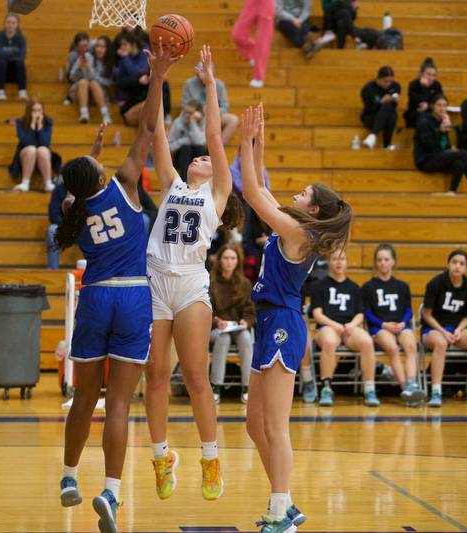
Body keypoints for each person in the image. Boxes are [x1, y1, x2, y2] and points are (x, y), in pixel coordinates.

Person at [56, 41, 176, 533]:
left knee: (84, 398)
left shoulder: (72, 212)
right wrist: (159, 74)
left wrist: (92, 155)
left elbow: (75, 186)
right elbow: (148, 127)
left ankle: (67, 478)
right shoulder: (126, 182)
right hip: (132, 296)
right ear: (101, 173)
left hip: (96, 293)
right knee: (121, 403)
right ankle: (111, 491)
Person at [240, 103, 352, 531]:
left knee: (275, 426)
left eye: (305, 192)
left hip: (283, 323)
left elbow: (252, 194)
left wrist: (244, 143)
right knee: (254, 425)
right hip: (269, 320)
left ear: (316, 209)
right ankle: (285, 501)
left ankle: (278, 510)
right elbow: (263, 189)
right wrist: (259, 144)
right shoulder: (294, 226)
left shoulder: (299, 233)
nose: (297, 193)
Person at [144, 46, 241, 504]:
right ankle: (162, 456)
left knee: (197, 377)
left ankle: (209, 457)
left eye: (207, 157)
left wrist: (208, 85)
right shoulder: (170, 184)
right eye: (198, 156)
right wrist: (158, 78)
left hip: (189, 283)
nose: (203, 156)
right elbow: (156, 129)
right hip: (155, 280)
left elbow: (216, 138)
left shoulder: (218, 195)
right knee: (157, 375)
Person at [421, 249, 467, 407]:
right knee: (441, 343)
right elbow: (427, 314)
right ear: (448, 264)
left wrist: (459, 330)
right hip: (433, 329)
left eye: (462, 264)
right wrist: (443, 331)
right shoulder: (435, 283)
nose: (457, 266)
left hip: (456, 329)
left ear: (466, 268)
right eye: (454, 262)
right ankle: (436, 392)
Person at [310, 249, 380, 407]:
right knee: (329, 341)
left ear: (347, 262)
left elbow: (360, 314)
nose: (339, 262)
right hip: (327, 326)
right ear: (329, 262)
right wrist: (335, 325)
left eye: (342, 259)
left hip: (349, 328)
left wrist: (352, 325)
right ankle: (326, 388)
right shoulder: (319, 286)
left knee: (367, 342)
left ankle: (369, 388)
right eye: (335, 259)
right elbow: (317, 313)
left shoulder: (354, 288)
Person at [362, 244, 425, 406]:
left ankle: (412, 383)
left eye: (386, 259)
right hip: (380, 328)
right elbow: (367, 313)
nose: (383, 263)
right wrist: (384, 324)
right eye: (379, 260)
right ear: (376, 263)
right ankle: (406, 389)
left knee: (411, 346)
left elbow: (408, 310)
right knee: (393, 348)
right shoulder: (369, 287)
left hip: (401, 325)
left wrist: (403, 323)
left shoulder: (402, 286)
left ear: (393, 262)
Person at [414, 94, 467, 196]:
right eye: (439, 105)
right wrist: (440, 131)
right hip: (425, 159)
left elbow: (445, 146)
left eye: (444, 105)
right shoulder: (424, 122)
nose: (442, 108)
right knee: (463, 154)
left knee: (459, 163)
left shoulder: (443, 121)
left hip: (438, 156)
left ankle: (452, 191)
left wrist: (445, 133)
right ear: (432, 106)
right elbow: (429, 146)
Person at [209, 244, 255, 404]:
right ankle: (216, 386)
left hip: (237, 327)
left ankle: (247, 386)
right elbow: (207, 310)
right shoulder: (211, 282)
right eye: (226, 258)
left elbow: (250, 311)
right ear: (220, 260)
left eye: (233, 258)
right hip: (216, 329)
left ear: (237, 261)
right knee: (224, 339)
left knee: (246, 337)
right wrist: (216, 321)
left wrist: (246, 322)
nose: (229, 262)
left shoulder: (245, 283)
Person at [181, 66, 239, 144]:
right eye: (201, 72)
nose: (203, 76)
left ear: (213, 72)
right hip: (195, 114)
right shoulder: (189, 83)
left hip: (214, 114)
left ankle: (218, 149)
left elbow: (225, 107)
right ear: (197, 73)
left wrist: (212, 111)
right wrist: (197, 111)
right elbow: (185, 105)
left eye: (207, 72)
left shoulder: (219, 84)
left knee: (233, 119)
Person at [8, 98, 54, 192]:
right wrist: (33, 125)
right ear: (29, 110)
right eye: (34, 110)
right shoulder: (21, 121)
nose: (37, 113)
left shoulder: (48, 121)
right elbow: (26, 142)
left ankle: (48, 183)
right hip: (26, 155)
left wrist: (40, 126)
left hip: (42, 156)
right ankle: (25, 183)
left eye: (39, 110)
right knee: (31, 149)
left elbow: (45, 143)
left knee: (43, 150)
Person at [68, 33, 113, 124]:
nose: (99, 49)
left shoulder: (110, 63)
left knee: (93, 83)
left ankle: (105, 115)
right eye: (97, 46)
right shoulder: (87, 56)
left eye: (102, 47)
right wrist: (79, 68)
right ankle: (84, 114)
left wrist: (90, 69)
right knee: (84, 82)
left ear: (107, 49)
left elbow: (108, 83)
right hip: (80, 93)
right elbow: (72, 77)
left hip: (98, 94)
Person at [231, 0, 275, 88]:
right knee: (238, 34)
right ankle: (254, 55)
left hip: (266, 2)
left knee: (263, 39)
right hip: (251, 2)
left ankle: (258, 77)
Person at [359, 66, 400, 150]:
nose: (388, 84)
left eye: (390, 81)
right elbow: (368, 109)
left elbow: (394, 106)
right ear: (378, 78)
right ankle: (386, 145)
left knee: (391, 112)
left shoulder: (395, 86)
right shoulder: (368, 88)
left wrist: (395, 100)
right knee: (388, 108)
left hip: (387, 118)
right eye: (385, 81)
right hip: (370, 117)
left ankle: (373, 136)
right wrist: (381, 102)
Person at [0, 13, 27, 102]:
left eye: (13, 23)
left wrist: (2, 55)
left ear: (17, 24)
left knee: (19, 63)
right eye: (9, 22)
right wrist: (14, 53)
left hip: (14, 74)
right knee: (1, 62)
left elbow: (22, 55)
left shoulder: (21, 39)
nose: (11, 25)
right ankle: (0, 92)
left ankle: (22, 92)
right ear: (5, 23)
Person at [168, 101, 208, 180]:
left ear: (198, 114)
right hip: (180, 157)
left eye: (190, 113)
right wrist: (186, 141)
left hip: (196, 155)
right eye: (185, 112)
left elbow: (199, 142)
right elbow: (170, 146)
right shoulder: (177, 122)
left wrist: (193, 123)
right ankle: (185, 181)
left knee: (200, 148)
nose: (186, 115)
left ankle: (201, 179)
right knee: (186, 148)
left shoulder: (204, 123)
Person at [404, 57, 442, 129]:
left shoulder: (437, 85)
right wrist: (425, 88)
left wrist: (428, 105)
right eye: (428, 74)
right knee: (422, 116)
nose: (431, 78)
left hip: (431, 112)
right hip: (415, 114)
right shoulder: (413, 84)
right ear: (421, 74)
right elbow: (415, 102)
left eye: (434, 75)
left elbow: (439, 100)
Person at [45, 152, 66, 269]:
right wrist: (68, 225)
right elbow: (53, 215)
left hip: (83, 227)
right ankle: (53, 270)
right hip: (64, 226)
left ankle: (94, 271)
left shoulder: (85, 190)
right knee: (52, 230)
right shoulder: (59, 190)